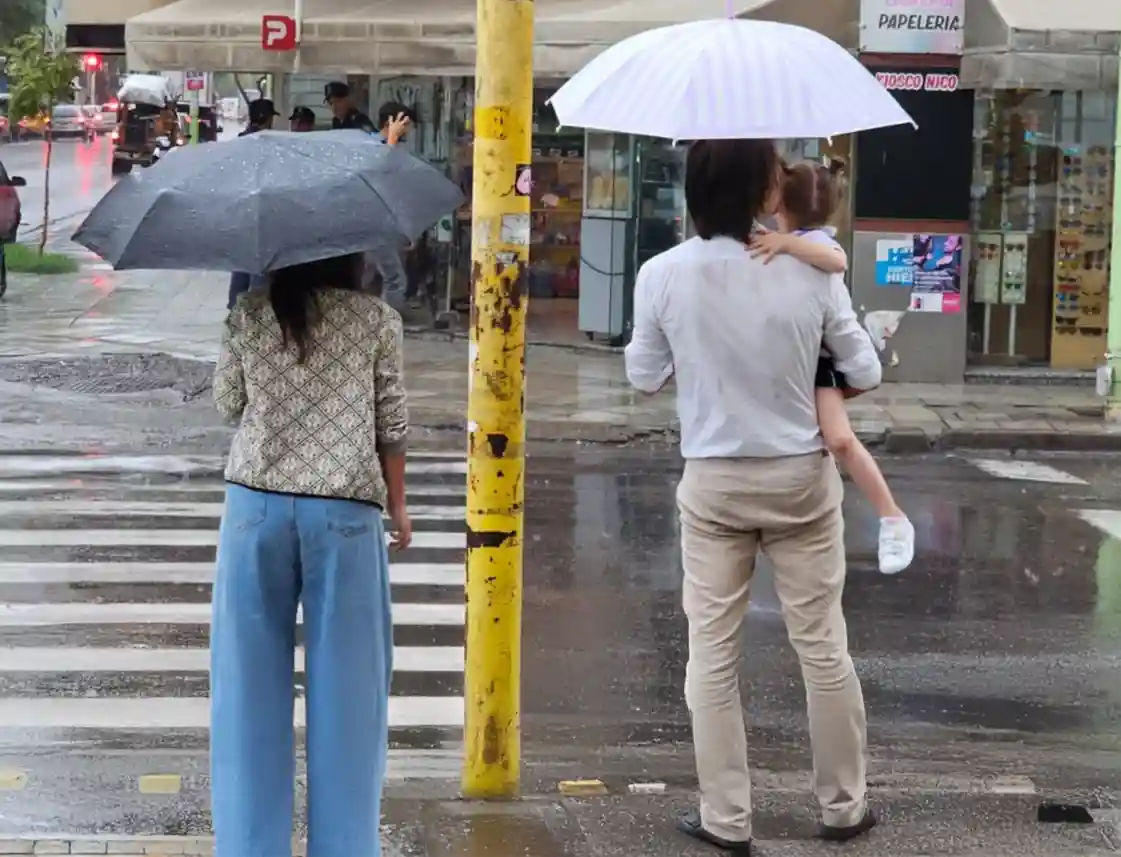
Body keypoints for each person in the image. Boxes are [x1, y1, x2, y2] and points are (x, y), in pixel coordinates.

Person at [625, 139, 881, 851]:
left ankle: (725, 819)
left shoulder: (661, 274)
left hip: (713, 479)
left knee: (710, 652)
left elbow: (643, 375)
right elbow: (862, 367)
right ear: (763, 190)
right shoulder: (808, 269)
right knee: (822, 645)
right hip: (800, 475)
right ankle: (842, 806)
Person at [211, 252, 411, 857]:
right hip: (345, 512)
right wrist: (397, 507)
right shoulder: (376, 320)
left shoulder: (247, 313)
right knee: (351, 696)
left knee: (246, 691)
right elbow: (391, 423)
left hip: (255, 511)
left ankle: (250, 847)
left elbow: (227, 405)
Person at [748, 159, 915, 575]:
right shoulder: (783, 239)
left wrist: (785, 244)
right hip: (801, 359)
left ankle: (893, 518)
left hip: (828, 362)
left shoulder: (818, 244)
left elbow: (837, 261)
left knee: (839, 440)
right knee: (810, 444)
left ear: (781, 204)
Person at [228, 98, 280, 308]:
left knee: (241, 264)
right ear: (267, 119)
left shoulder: (239, 142)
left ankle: (234, 308)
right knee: (259, 269)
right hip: (264, 216)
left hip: (241, 215)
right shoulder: (270, 144)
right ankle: (256, 313)